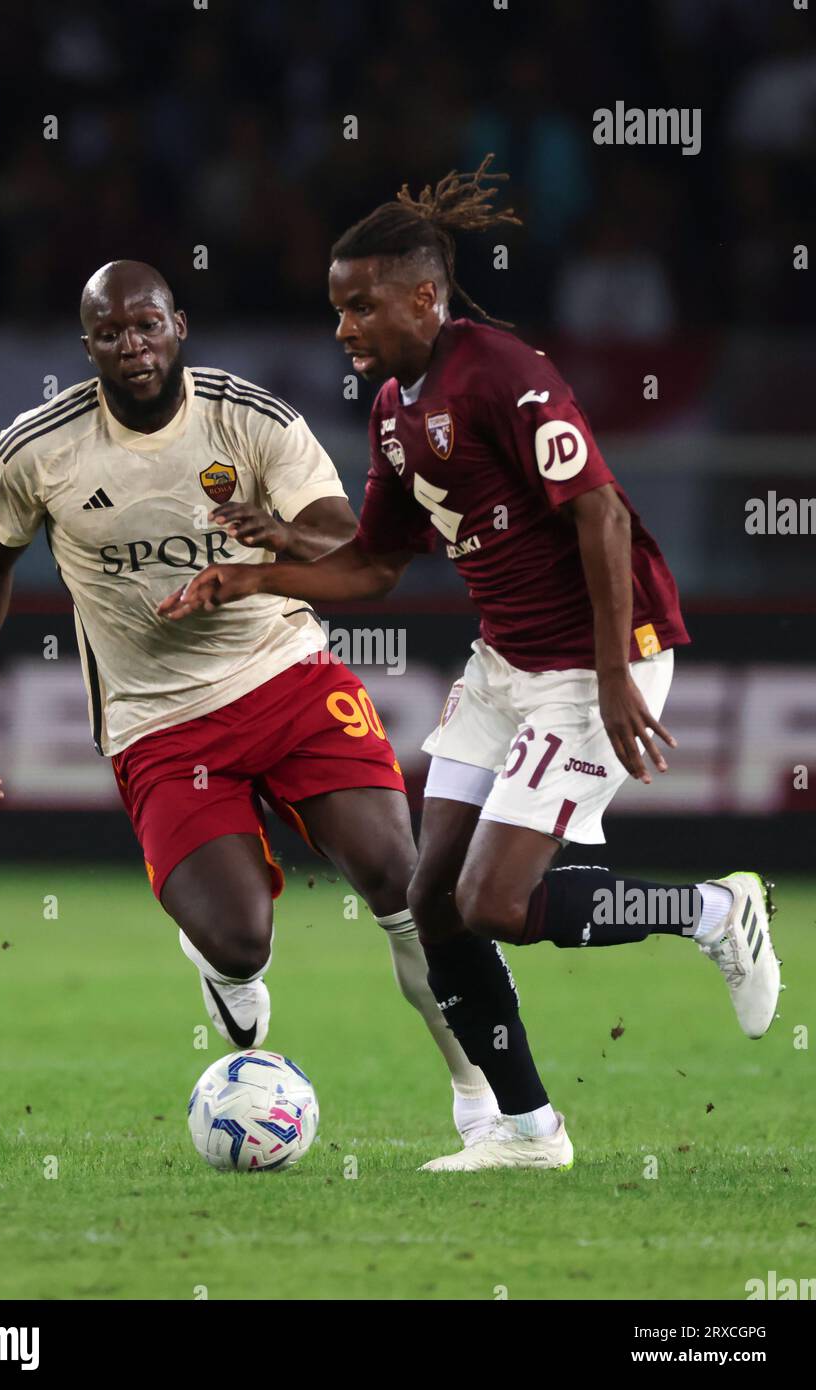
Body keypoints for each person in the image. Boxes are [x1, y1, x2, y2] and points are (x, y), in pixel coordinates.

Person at [161, 160, 782, 1172]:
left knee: (496, 902)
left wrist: (618, 669)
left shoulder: (497, 367)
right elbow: (370, 567)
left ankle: (715, 910)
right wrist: (253, 571)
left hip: (593, 664)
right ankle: (529, 1132)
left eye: (360, 307)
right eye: (335, 310)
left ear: (424, 294)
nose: (344, 329)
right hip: (504, 666)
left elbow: (600, 512)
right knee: (429, 897)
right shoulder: (396, 412)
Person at [0, 258, 501, 1146]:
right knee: (242, 938)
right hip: (158, 722)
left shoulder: (250, 418)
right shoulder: (39, 449)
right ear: (86, 345)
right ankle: (227, 970)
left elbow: (346, 536)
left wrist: (278, 535)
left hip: (288, 677)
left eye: (148, 325)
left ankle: (482, 1095)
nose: (133, 345)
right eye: (111, 332)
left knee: (404, 882)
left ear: (180, 326)